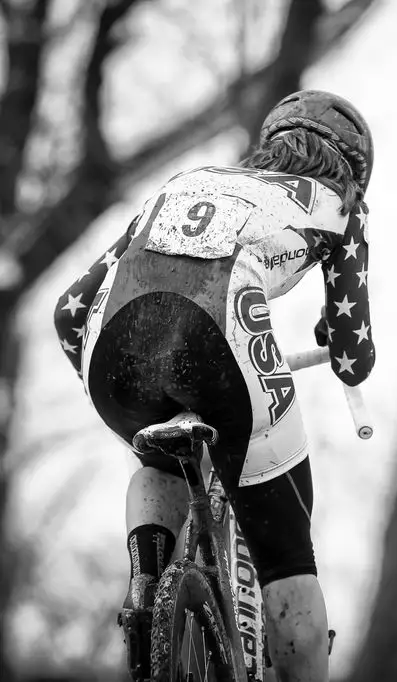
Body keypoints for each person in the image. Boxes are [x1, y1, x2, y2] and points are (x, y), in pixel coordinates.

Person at [52, 89, 376, 682]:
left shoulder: (190, 179)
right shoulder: (341, 206)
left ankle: (147, 585)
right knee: (287, 557)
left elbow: (69, 312)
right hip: (219, 337)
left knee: (158, 457)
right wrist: (335, 338)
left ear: (269, 142)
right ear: (353, 173)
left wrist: (120, 393)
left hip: (115, 345)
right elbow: (354, 354)